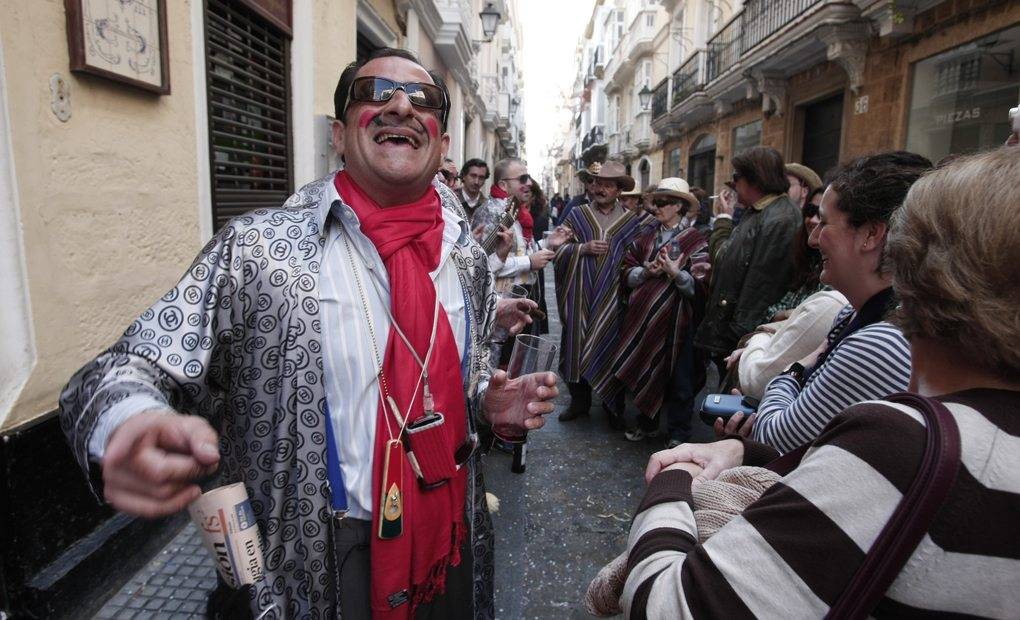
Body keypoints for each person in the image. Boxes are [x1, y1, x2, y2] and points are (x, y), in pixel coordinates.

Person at [58, 48, 560, 619]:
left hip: (449, 535)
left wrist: (486, 407)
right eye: (374, 93)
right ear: (341, 134)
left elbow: (446, 385)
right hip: (317, 563)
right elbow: (125, 367)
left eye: (422, 100)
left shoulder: (465, 259)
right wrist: (129, 421)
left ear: (441, 142)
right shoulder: (259, 250)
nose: (400, 104)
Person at [622, 146, 1020, 618]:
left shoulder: (902, 439)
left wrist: (675, 482)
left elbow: (666, 608)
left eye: (824, 222)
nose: (812, 239)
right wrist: (748, 452)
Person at [723, 152, 931, 453]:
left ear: (871, 234)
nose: (813, 239)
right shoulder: (853, 314)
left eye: (824, 222)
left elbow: (774, 437)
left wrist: (794, 371)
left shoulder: (882, 342)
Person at [613, 178, 709, 447]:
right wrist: (646, 271)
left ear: (679, 206)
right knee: (646, 368)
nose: (656, 208)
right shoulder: (644, 236)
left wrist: (676, 273)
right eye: (655, 202)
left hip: (679, 322)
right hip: (644, 320)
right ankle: (647, 423)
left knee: (681, 378)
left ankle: (679, 432)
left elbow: (700, 287)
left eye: (663, 203)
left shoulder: (695, 240)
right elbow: (625, 273)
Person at [554, 161, 648, 427]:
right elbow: (557, 250)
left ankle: (612, 406)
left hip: (614, 297)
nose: (600, 189)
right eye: (598, 183)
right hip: (579, 294)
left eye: (608, 185)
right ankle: (579, 402)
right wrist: (581, 249)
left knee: (612, 346)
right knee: (576, 344)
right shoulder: (577, 215)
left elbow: (638, 257)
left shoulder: (631, 222)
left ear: (619, 190)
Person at [695, 147, 801, 379]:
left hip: (742, 336)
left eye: (736, 177)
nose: (733, 185)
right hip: (733, 331)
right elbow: (736, 263)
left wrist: (723, 218)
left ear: (754, 178)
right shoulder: (759, 212)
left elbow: (761, 283)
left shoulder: (780, 218)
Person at [470, 158, 568, 296]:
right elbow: (483, 265)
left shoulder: (517, 211)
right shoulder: (490, 212)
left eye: (528, 178)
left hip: (518, 301)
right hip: (499, 306)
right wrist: (528, 262)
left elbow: (520, 251)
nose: (529, 183)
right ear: (503, 185)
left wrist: (548, 242)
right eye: (522, 179)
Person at [764, 185, 827, 321]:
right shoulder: (806, 259)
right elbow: (772, 311)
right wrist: (785, 314)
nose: (813, 220)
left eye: (821, 215)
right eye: (810, 211)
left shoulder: (835, 271)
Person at [554, 162, 599, 226]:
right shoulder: (575, 203)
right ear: (586, 184)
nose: (594, 184)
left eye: (597, 181)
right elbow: (561, 225)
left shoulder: (607, 203)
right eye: (590, 180)